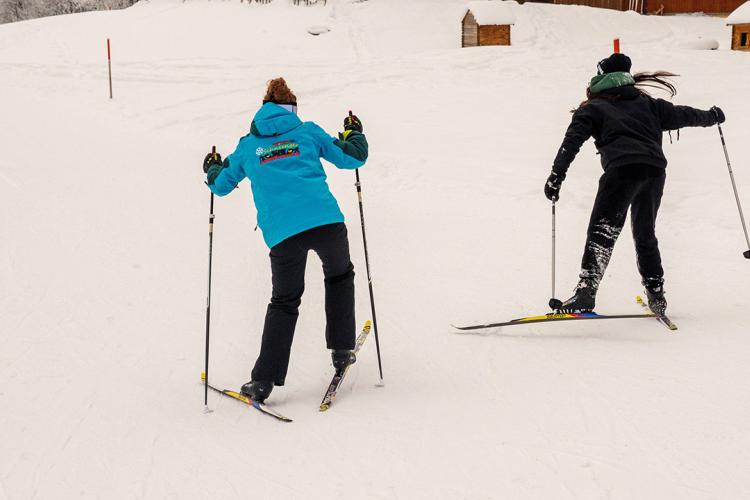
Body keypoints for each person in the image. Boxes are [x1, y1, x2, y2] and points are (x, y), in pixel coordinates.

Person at [202, 77, 368, 403]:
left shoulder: (249, 146)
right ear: (291, 107)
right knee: (339, 277)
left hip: (283, 233)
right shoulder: (307, 131)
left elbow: (220, 185)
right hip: (325, 222)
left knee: (285, 301)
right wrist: (354, 131)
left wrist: (212, 168)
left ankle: (263, 382)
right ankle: (341, 349)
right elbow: (353, 157)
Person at [544, 53, 724, 315]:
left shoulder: (593, 108)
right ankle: (656, 294)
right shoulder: (649, 104)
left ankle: (586, 292)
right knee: (644, 232)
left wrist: (556, 174)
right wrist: (712, 116)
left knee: (603, 231)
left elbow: (571, 141)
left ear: (601, 78)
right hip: (654, 172)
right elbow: (685, 114)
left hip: (622, 171)